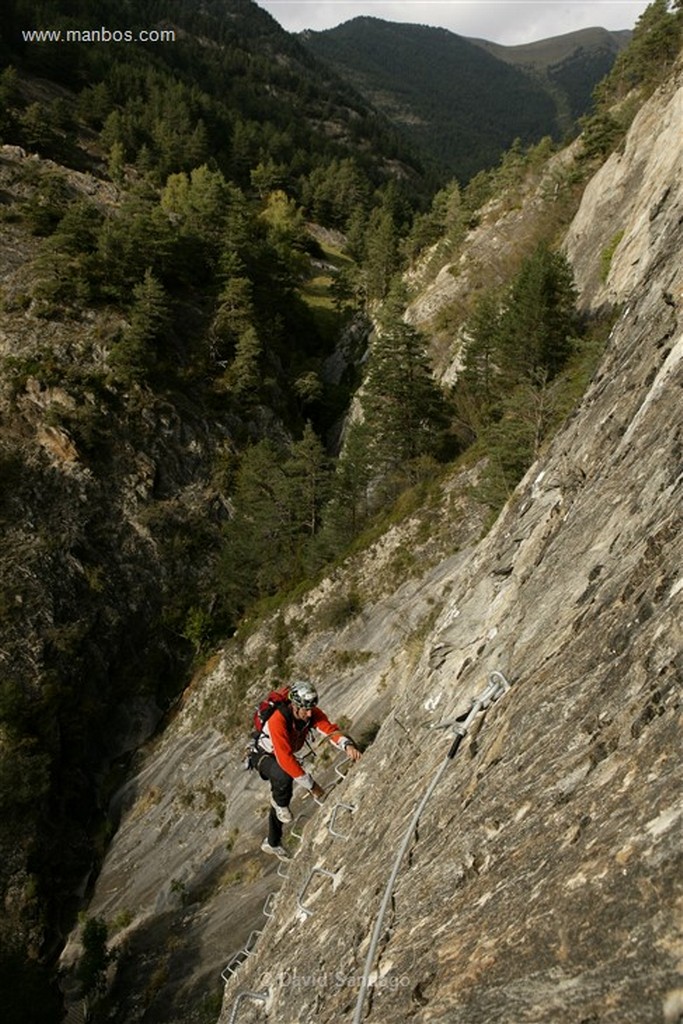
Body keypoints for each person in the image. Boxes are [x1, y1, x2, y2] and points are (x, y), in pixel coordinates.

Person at [249, 680, 362, 859]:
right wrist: (311, 786)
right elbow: (284, 759)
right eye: (305, 709)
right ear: (295, 705)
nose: (309, 713)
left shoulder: (311, 713)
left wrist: (347, 744)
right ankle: (279, 804)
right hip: (263, 755)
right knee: (283, 778)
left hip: (282, 754)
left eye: (312, 708)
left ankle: (272, 841)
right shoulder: (278, 719)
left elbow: (329, 730)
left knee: (281, 794)